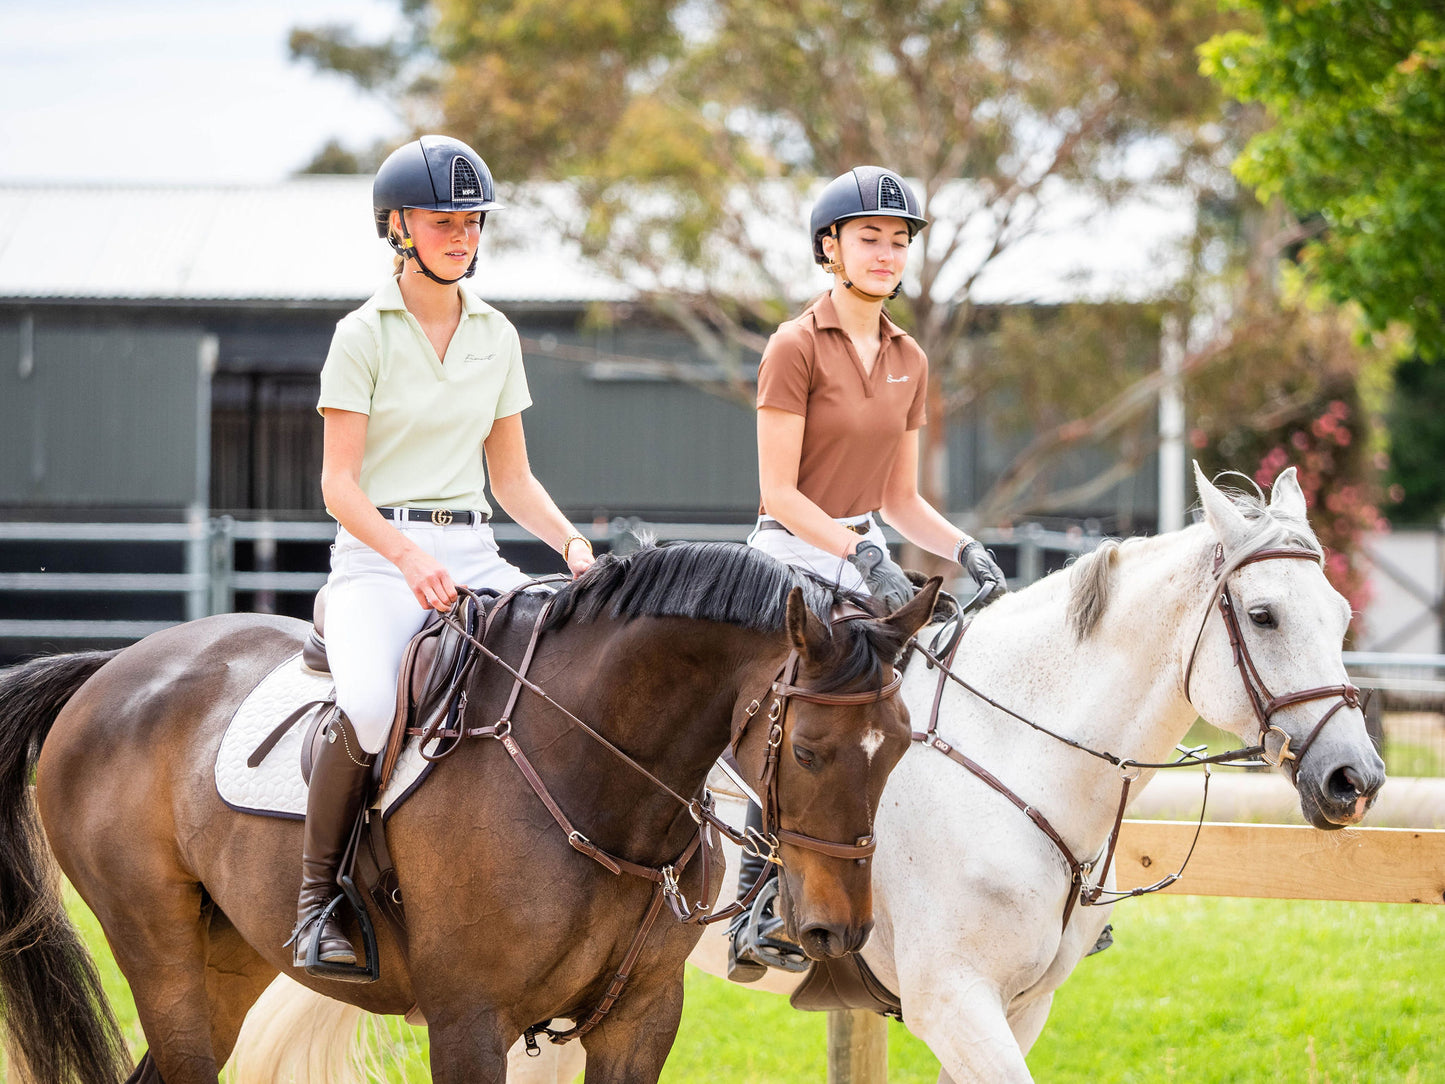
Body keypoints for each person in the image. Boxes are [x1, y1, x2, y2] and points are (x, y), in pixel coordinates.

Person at [290, 135, 596, 975]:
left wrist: (570, 545)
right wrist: (403, 559)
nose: (461, 236)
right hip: (374, 558)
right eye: (442, 221)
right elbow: (337, 485)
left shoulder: (496, 334)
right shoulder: (361, 333)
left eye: (471, 222)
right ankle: (319, 903)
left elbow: (513, 478)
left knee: (559, 680)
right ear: (397, 228)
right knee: (367, 706)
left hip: (474, 547)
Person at [728, 165, 1008, 982]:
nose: (885, 255)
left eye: (897, 242)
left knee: (912, 713)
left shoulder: (908, 356)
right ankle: (754, 902)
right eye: (868, 239)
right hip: (787, 558)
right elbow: (778, 492)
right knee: (794, 716)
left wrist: (965, 549)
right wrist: (861, 553)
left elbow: (900, 498)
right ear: (830, 247)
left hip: (864, 555)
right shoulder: (792, 345)